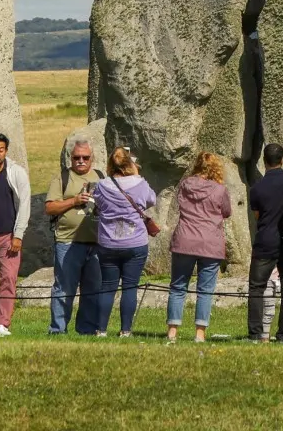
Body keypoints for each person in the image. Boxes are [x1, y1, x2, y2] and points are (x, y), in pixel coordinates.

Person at [81, 147, 161, 337]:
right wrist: (137, 175)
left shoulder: (103, 185)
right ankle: (126, 330)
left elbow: (97, 204)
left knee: (108, 286)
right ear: (130, 163)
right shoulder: (140, 183)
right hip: (135, 242)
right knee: (130, 287)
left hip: (108, 242)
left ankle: (101, 330)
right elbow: (151, 200)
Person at [167, 151, 233, 344]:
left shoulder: (185, 185)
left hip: (185, 240)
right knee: (205, 290)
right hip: (210, 242)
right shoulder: (220, 190)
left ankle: (172, 332)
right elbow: (227, 212)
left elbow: (179, 205)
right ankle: (200, 334)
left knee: (178, 287)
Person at [44, 134, 103, 335]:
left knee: (93, 290)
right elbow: (50, 208)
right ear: (71, 158)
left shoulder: (101, 177)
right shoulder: (62, 178)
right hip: (67, 241)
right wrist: (74, 200)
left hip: (96, 243)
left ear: (91, 158)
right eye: (77, 157)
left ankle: (86, 330)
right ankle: (58, 330)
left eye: (85, 158)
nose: (81, 161)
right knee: (64, 289)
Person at [248, 142, 283, 342]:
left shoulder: (257, 188)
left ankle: (255, 334)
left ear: (264, 161)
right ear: (282, 159)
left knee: (257, 287)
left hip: (265, 240)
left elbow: (257, 216)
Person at [0, 131, 31, 337]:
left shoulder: (16, 172)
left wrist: (18, 234)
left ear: (6, 151)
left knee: (9, 279)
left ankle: (3, 323)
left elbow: (25, 204)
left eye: (1, 150)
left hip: (8, 236)